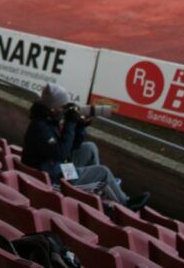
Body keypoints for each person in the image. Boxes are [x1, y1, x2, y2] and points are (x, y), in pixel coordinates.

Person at [22, 82, 149, 210]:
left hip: (56, 167)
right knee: (102, 172)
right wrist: (70, 124)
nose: (65, 110)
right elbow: (61, 153)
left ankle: (95, 190)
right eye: (63, 106)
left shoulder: (47, 119)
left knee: (89, 148)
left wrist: (80, 127)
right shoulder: (40, 127)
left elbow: (71, 147)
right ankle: (126, 205)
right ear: (53, 108)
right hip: (52, 180)